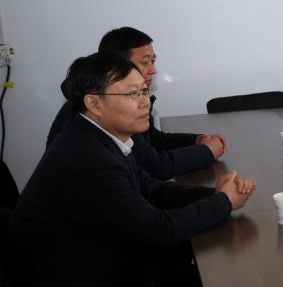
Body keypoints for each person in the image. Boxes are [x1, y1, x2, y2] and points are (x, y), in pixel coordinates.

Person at [12, 52, 255, 287]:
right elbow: (159, 230)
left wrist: (215, 196)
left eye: (144, 91)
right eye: (132, 94)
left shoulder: (98, 136)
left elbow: (150, 188)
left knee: (211, 282)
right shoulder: (88, 157)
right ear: (94, 103)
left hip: (105, 267)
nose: (145, 103)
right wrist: (223, 203)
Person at [46, 27, 226, 179]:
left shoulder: (120, 99)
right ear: (119, 66)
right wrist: (207, 151)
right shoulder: (99, 110)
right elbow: (155, 166)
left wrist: (195, 140)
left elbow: (152, 139)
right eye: (145, 62)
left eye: (153, 61)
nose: (153, 70)